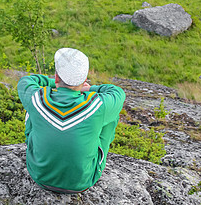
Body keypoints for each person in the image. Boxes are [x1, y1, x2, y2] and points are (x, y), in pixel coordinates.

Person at [17, 48, 126, 193]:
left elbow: (27, 80)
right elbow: (117, 92)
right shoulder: (99, 104)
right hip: (82, 183)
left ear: (56, 78)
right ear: (84, 79)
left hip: (39, 176)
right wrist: (88, 88)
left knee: (32, 110)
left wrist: (54, 83)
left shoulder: (37, 97)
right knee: (111, 115)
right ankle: (94, 160)